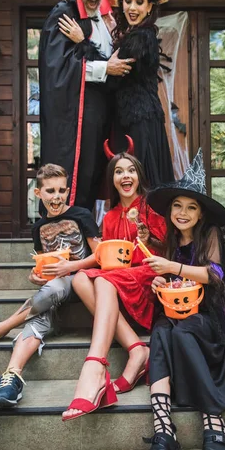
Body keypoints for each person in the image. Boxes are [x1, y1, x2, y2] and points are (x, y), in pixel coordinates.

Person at [140, 149, 225, 450]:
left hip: (208, 318)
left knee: (184, 333)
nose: (183, 212)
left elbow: (214, 275)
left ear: (201, 214)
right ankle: (163, 431)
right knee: (160, 333)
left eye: (191, 207)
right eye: (177, 206)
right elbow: (175, 283)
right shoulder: (170, 241)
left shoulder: (210, 236)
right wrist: (162, 280)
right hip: (175, 312)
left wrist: (173, 268)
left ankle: (215, 427)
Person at [0, 164, 101, 407]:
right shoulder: (38, 228)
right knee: (41, 315)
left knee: (54, 288)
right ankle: (12, 376)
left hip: (84, 283)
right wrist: (35, 276)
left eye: (62, 191)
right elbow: (44, 263)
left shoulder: (81, 215)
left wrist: (69, 268)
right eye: (50, 191)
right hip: (53, 291)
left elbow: (99, 256)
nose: (56, 197)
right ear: (38, 193)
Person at [62, 151, 166, 421]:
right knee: (81, 278)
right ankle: (136, 348)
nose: (125, 176)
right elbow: (104, 258)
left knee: (104, 278)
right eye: (119, 172)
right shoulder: (109, 217)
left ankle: (95, 365)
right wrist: (72, 266)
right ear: (113, 180)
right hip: (119, 278)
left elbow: (168, 251)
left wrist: (149, 237)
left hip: (148, 277)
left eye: (130, 170)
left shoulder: (151, 207)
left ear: (139, 176)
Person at [61, 0, 174, 187]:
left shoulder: (141, 38)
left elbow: (112, 77)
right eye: (128, 0)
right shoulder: (133, 35)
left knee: (140, 187)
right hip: (132, 120)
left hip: (139, 123)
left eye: (140, 2)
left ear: (150, 7)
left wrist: (82, 41)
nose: (132, 7)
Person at [40, 0, 134, 210]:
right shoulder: (65, 13)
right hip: (75, 117)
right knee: (73, 180)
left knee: (94, 179)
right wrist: (106, 68)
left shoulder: (108, 20)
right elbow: (57, 68)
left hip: (102, 115)